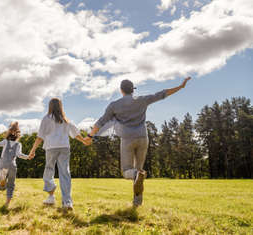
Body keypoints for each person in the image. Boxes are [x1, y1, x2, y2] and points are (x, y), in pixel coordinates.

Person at [84, 77, 191, 207]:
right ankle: (137, 202)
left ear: (121, 90)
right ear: (132, 90)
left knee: (128, 172)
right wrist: (180, 87)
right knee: (139, 171)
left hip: (127, 139)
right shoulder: (142, 100)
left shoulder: (114, 105)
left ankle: (137, 175)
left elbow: (101, 121)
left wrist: (90, 135)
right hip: (142, 138)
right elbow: (162, 94)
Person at [28, 98, 88, 210]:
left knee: (49, 170)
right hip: (64, 147)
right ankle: (67, 202)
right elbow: (75, 134)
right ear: (60, 107)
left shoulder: (46, 119)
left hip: (51, 147)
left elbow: (40, 136)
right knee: (65, 173)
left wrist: (32, 150)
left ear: (50, 107)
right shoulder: (65, 120)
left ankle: (51, 196)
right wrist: (84, 141)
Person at [0, 122, 29, 208]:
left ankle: (2, 182)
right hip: (12, 166)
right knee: (11, 184)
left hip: (3, 164)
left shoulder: (5, 142)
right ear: (18, 135)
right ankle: (7, 203)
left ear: (8, 133)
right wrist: (28, 156)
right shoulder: (18, 144)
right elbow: (19, 155)